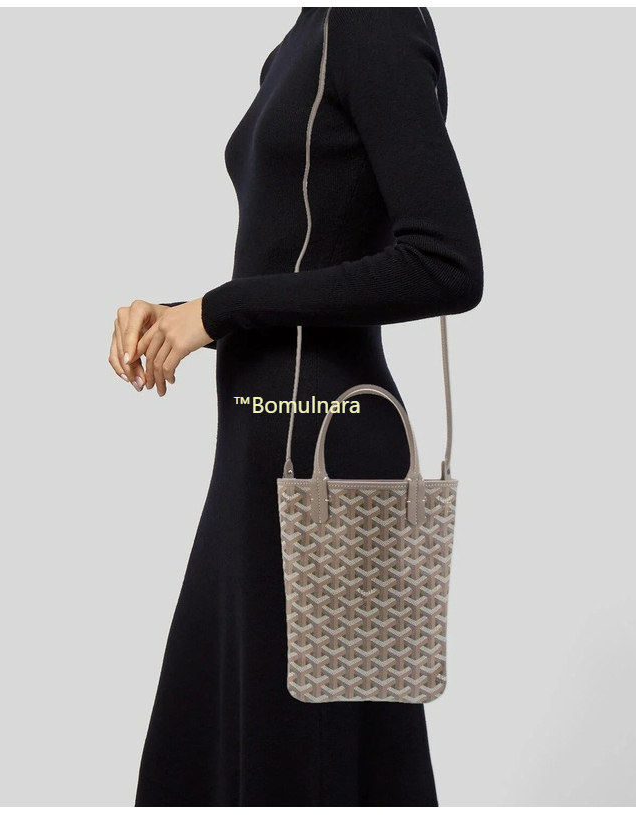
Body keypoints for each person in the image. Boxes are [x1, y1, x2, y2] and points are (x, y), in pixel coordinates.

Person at [109, 7, 483, 806]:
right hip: (256, 454)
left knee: (303, 764)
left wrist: (219, 308)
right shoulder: (299, 38)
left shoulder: (373, 24)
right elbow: (300, 259)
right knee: (212, 756)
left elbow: (446, 261)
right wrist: (181, 316)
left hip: (323, 460)